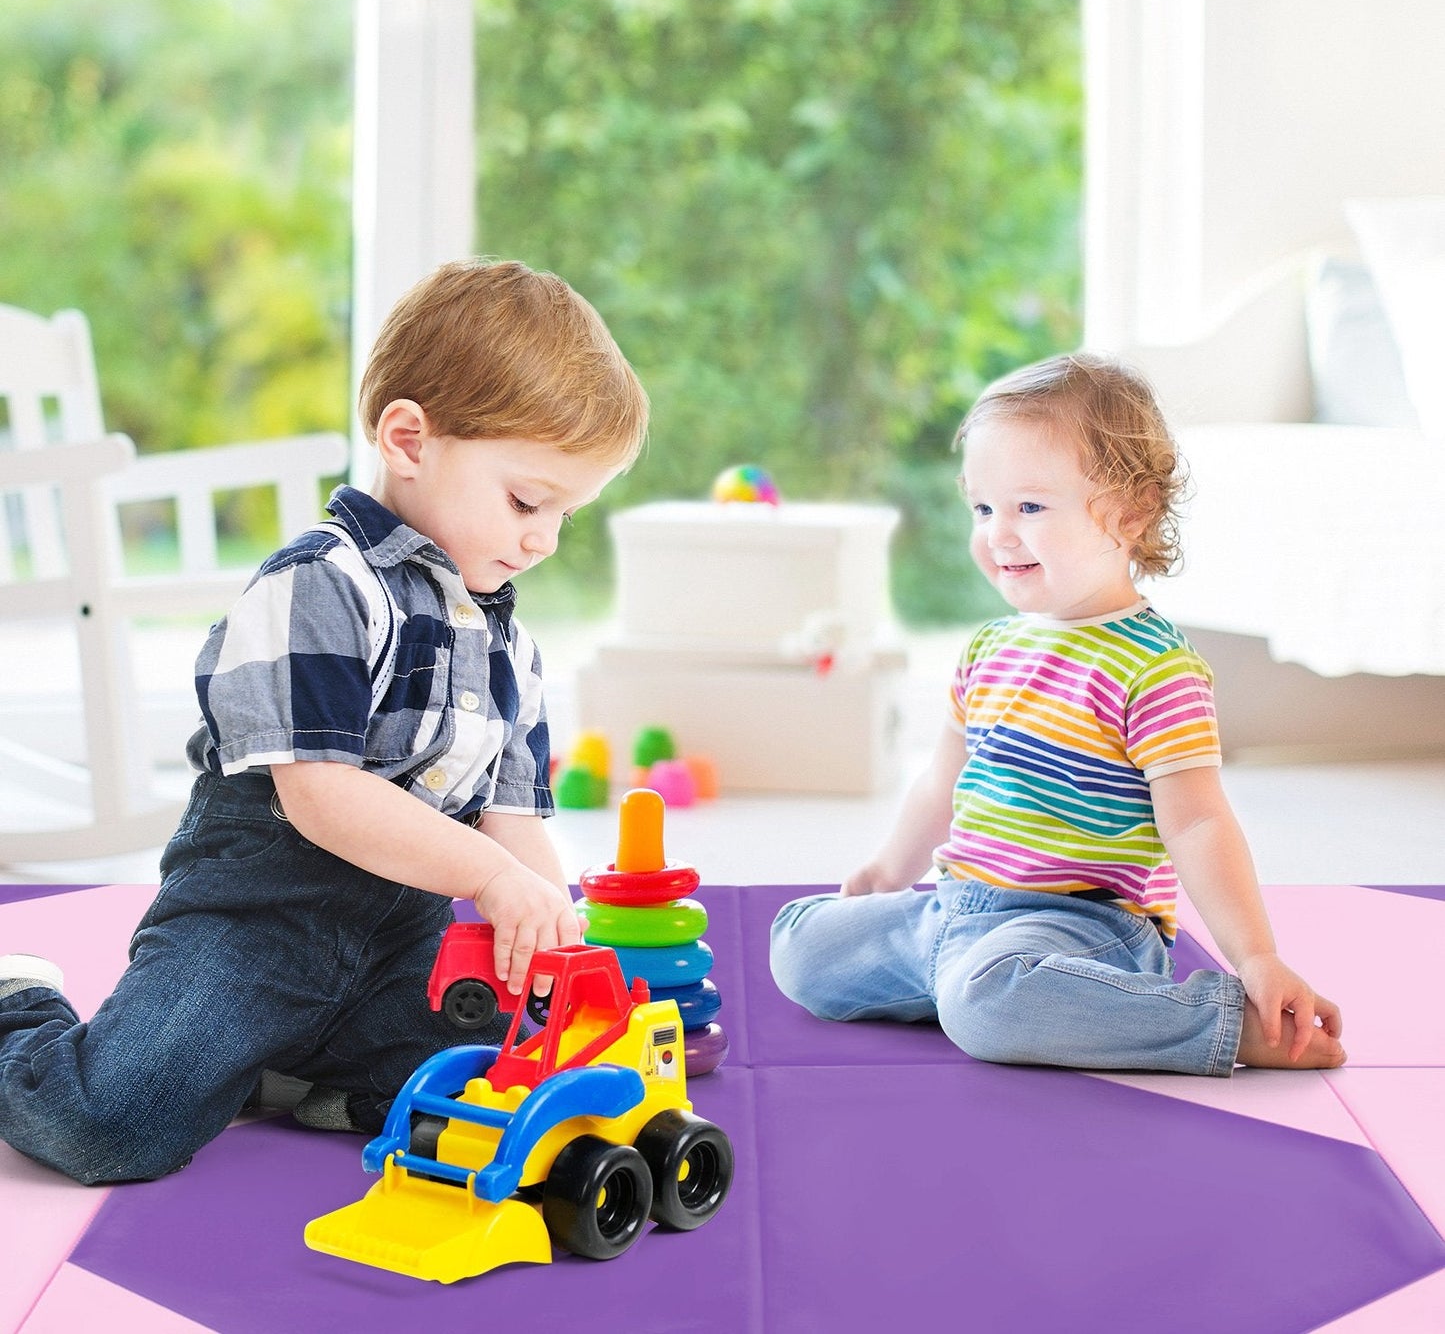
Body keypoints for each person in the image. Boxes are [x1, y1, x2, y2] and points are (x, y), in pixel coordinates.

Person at [0, 258, 649, 1184]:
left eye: (566, 516)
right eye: (524, 501)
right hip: (256, 924)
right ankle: (19, 1007)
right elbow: (322, 800)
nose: (543, 539)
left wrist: (563, 936)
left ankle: (295, 1072)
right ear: (409, 439)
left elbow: (513, 821)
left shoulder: (512, 649)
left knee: (502, 1081)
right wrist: (492, 879)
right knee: (116, 1124)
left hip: (398, 944)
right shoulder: (320, 584)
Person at [770, 352, 1345, 1076]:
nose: (996, 533)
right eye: (983, 507)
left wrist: (1256, 956)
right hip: (955, 907)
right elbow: (940, 783)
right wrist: (889, 870)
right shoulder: (988, 647)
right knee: (798, 942)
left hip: (1081, 923)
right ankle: (997, 994)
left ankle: (1213, 1022)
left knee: (989, 1002)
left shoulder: (1155, 667)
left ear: (1130, 512)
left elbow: (1197, 822)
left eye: (1029, 507)